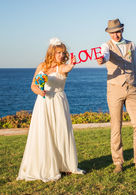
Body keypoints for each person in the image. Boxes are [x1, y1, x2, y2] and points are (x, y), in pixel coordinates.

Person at [17, 38, 85, 182]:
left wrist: (71, 64)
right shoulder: (42, 66)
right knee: (44, 132)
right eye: (58, 52)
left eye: (63, 53)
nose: (61, 55)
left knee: (61, 132)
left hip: (58, 101)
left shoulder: (63, 67)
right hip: (43, 102)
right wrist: (39, 92)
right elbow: (33, 85)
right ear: (52, 53)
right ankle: (46, 165)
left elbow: (67, 69)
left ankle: (64, 165)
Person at [97, 18, 136, 173]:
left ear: (122, 30)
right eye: (113, 33)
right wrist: (102, 59)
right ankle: (118, 162)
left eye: (118, 31)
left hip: (132, 89)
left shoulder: (131, 45)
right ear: (109, 33)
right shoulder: (106, 46)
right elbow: (105, 55)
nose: (116, 35)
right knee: (116, 126)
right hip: (114, 89)